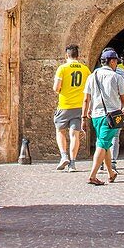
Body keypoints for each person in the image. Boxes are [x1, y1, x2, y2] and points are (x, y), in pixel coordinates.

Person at [81, 47, 124, 186]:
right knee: (102, 144)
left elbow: (86, 99)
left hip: (96, 116)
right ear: (112, 62)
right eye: (116, 62)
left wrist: (84, 117)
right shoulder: (117, 77)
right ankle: (92, 175)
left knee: (106, 144)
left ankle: (110, 173)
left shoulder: (92, 76)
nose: (117, 64)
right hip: (112, 116)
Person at [53, 44, 90, 172]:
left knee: (60, 130)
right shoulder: (85, 69)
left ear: (66, 55)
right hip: (79, 106)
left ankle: (64, 156)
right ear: (77, 55)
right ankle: (73, 164)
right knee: (75, 134)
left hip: (64, 105)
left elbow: (56, 88)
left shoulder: (62, 69)